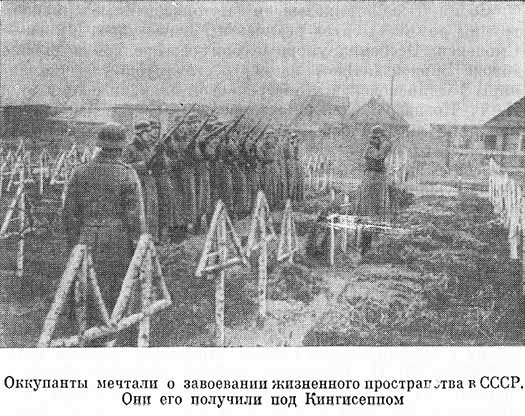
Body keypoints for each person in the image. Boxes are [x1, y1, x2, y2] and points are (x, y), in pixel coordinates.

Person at [63, 123, 147, 346]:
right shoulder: (128, 174)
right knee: (114, 288)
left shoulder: (79, 172)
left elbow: (69, 215)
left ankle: (84, 332)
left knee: (85, 284)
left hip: (86, 237)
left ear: (99, 145)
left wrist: (75, 244)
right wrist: (139, 247)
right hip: (117, 240)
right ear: (121, 147)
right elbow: (135, 219)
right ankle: (110, 336)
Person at [357, 125, 392, 255]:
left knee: (377, 212)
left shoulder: (376, 147)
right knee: (369, 214)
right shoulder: (370, 149)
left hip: (377, 181)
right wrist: (385, 145)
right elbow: (380, 156)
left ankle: (373, 245)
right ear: (376, 138)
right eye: (380, 138)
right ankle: (365, 248)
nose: (382, 141)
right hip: (371, 182)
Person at [122, 120, 160, 242]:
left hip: (149, 183)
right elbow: (124, 167)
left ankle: (150, 239)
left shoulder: (147, 147)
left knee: (151, 212)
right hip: (138, 185)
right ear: (140, 133)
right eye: (147, 132)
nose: (149, 134)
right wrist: (142, 165)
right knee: (140, 213)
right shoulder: (130, 148)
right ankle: (139, 240)